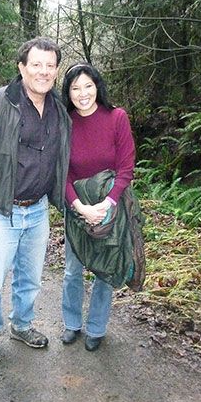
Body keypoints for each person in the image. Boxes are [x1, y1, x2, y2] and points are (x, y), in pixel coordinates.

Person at [0, 37, 71, 365]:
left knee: (30, 278)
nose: (43, 72)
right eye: (36, 64)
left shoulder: (59, 109)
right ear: (22, 67)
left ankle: (21, 325)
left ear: (56, 70)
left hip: (37, 210)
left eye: (50, 66)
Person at [59, 63, 136, 352]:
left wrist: (107, 203)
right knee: (72, 270)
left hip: (110, 207)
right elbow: (62, 171)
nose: (82, 93)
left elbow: (126, 167)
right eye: (75, 88)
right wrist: (78, 206)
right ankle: (72, 324)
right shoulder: (64, 123)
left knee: (104, 271)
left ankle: (96, 328)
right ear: (68, 93)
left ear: (97, 87)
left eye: (88, 86)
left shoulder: (117, 118)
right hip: (76, 207)